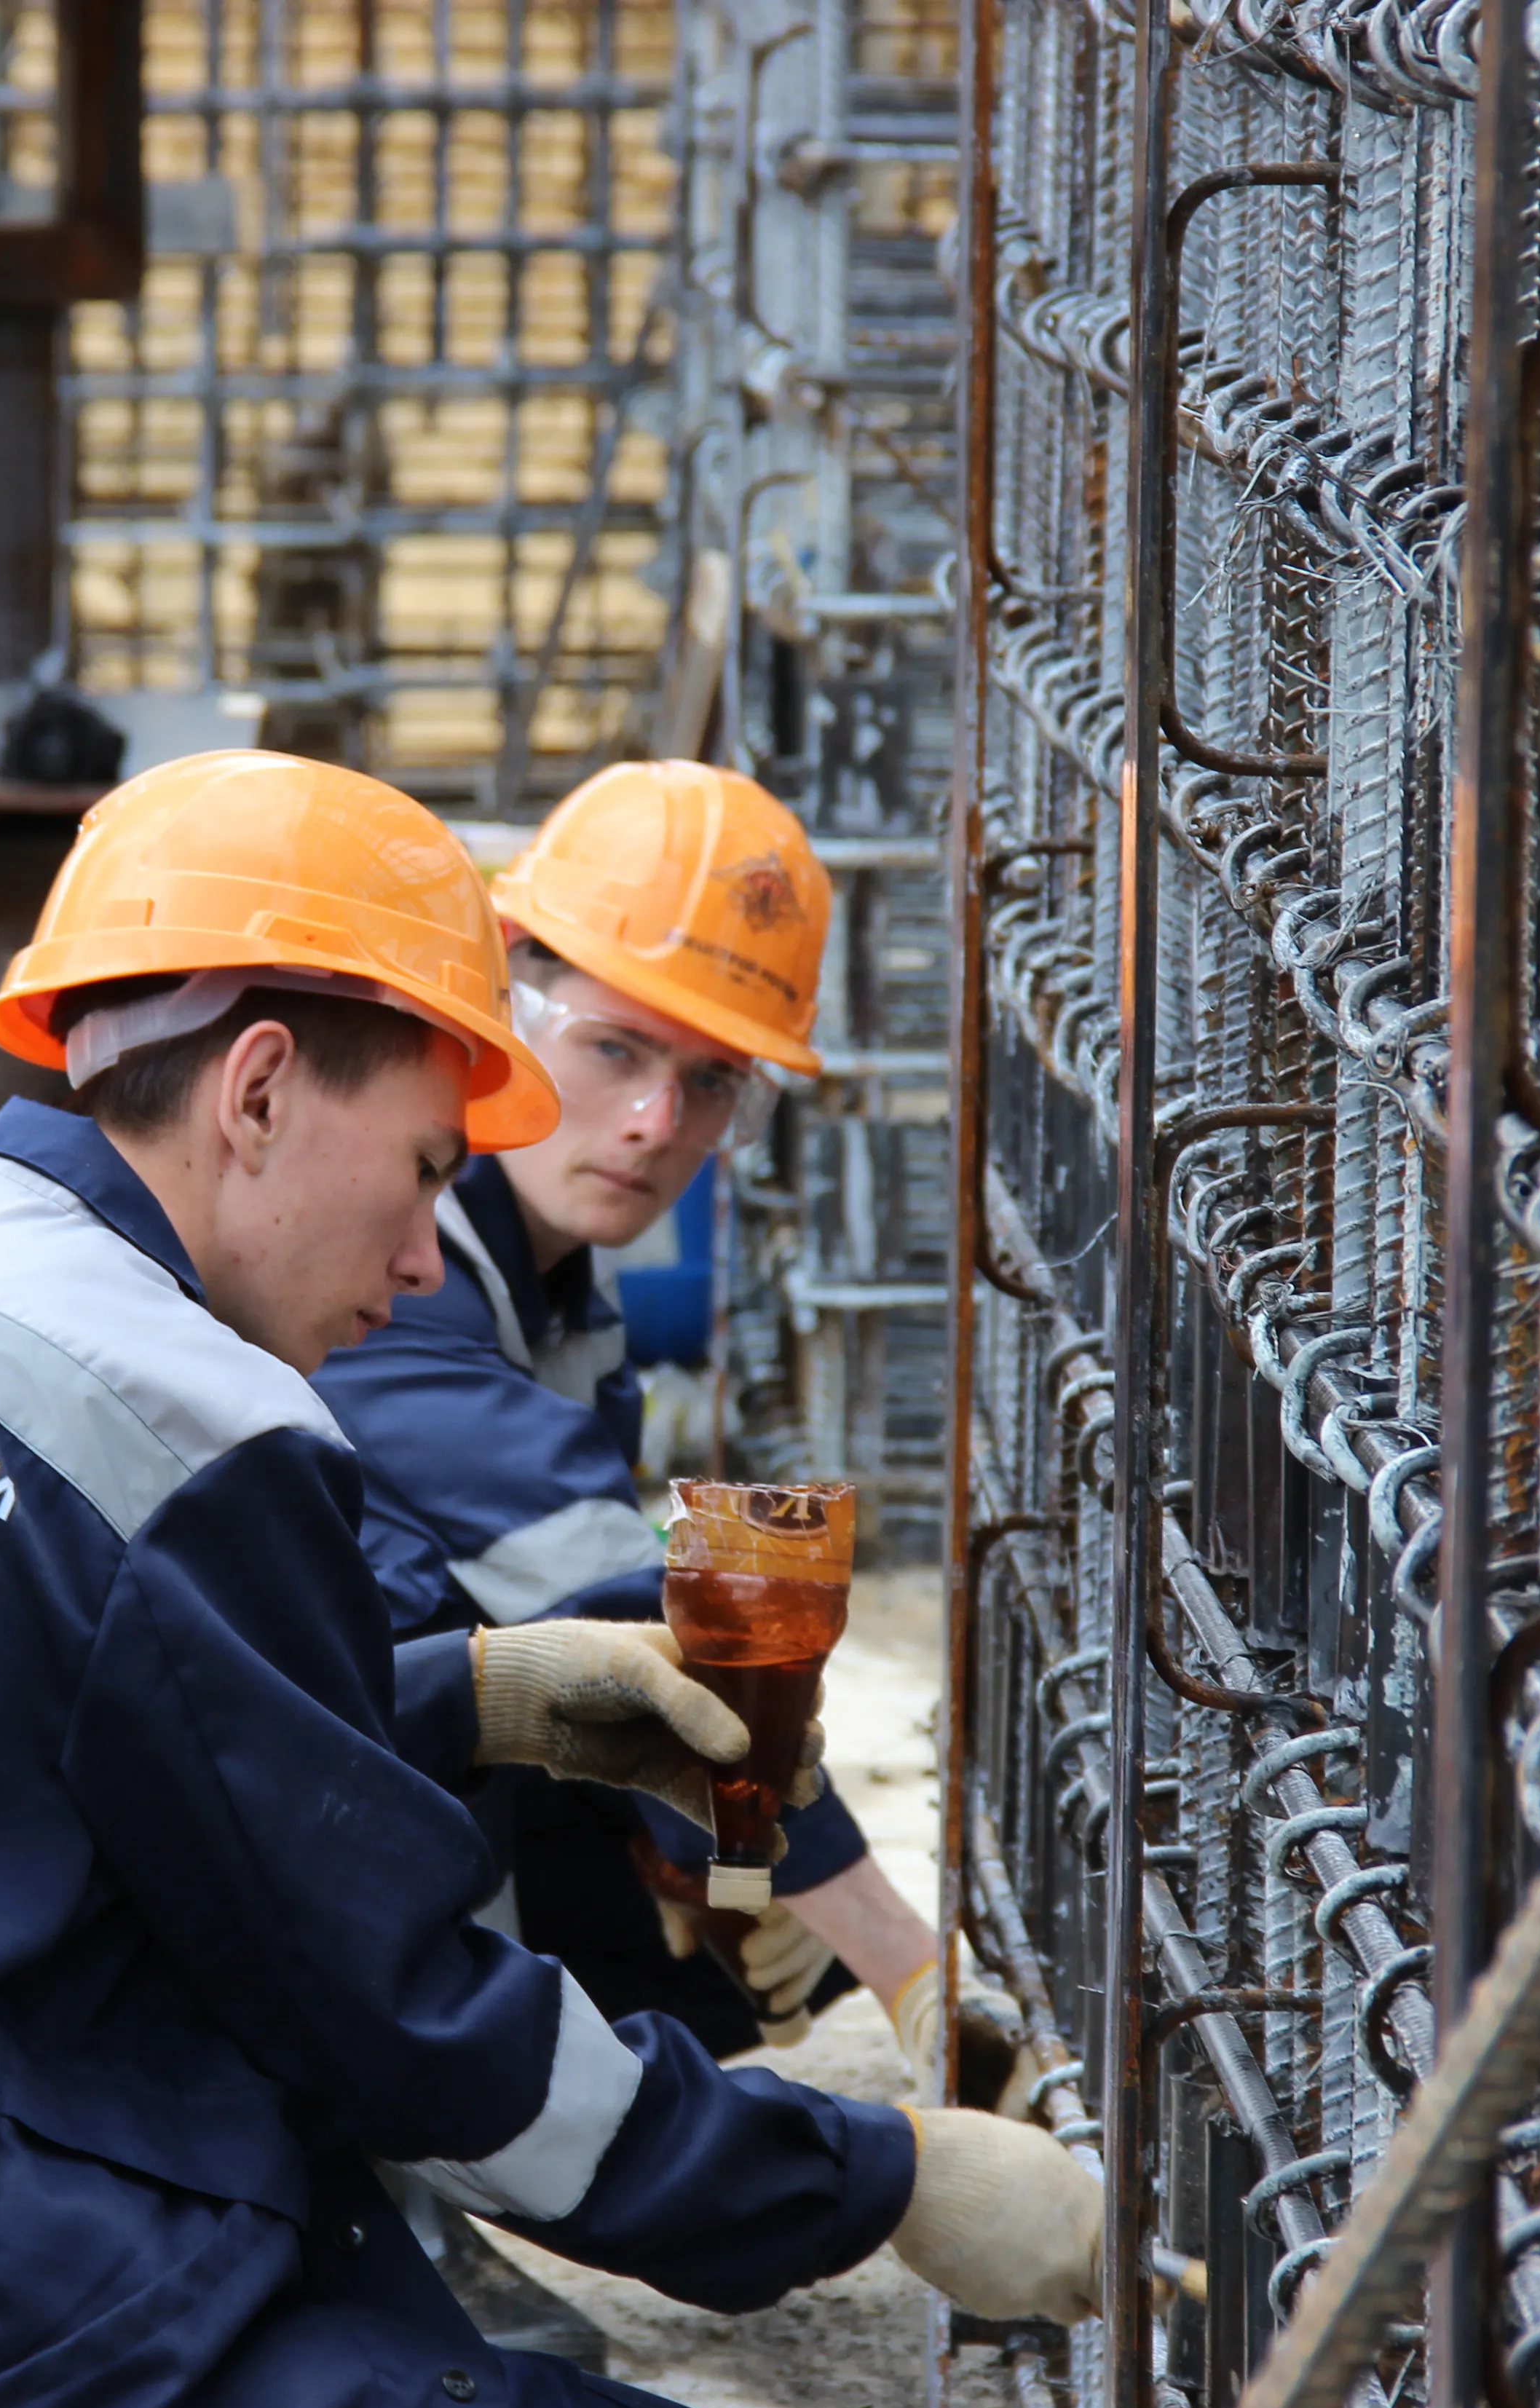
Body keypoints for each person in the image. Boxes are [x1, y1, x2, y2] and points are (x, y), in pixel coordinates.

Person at [0, 750, 1105, 2408]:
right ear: (263, 1089)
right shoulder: (189, 1411)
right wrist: (879, 2180)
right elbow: (402, 2021)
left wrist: (472, 1700)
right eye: (426, 1167)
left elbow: (35, 1720)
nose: (426, 1259)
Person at [315, 761, 1028, 2115]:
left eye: (712, 1082)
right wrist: (910, 1971)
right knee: (462, 1624)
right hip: (217, 1843)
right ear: (504, 1003)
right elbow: (621, 1611)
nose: (656, 1125)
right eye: (615, 1051)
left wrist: (721, 1870)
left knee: (702, 1923)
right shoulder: (393, 1279)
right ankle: (421, 2142)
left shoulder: (552, 1292)